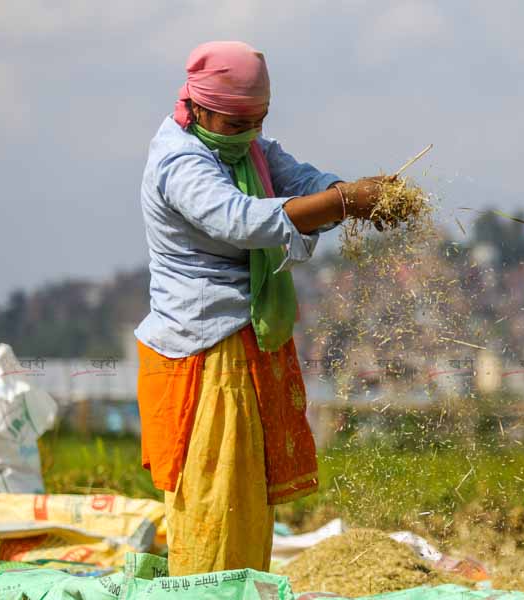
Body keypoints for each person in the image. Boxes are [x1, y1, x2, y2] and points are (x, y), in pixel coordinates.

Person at [134, 41, 388, 575]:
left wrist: (350, 194)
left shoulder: (245, 147)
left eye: (259, 120)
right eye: (235, 123)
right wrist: (344, 204)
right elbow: (242, 221)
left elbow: (299, 180)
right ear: (198, 108)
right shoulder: (180, 160)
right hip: (205, 351)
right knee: (215, 494)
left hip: (246, 342)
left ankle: (243, 585)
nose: (250, 133)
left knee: (247, 497)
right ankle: (206, 588)